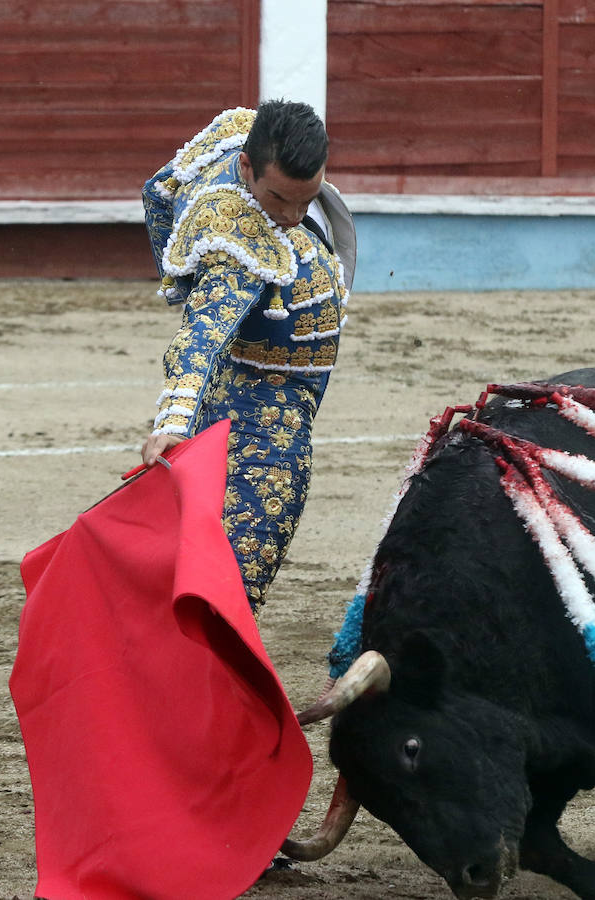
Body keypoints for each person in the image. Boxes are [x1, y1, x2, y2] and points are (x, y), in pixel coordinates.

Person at [140, 99, 357, 611]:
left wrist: (177, 275)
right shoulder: (235, 234)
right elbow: (202, 336)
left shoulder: (247, 132)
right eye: (278, 198)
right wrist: (174, 419)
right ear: (246, 168)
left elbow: (158, 189)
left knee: (212, 565)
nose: (292, 215)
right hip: (265, 413)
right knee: (233, 581)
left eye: (306, 199)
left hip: (255, 390)